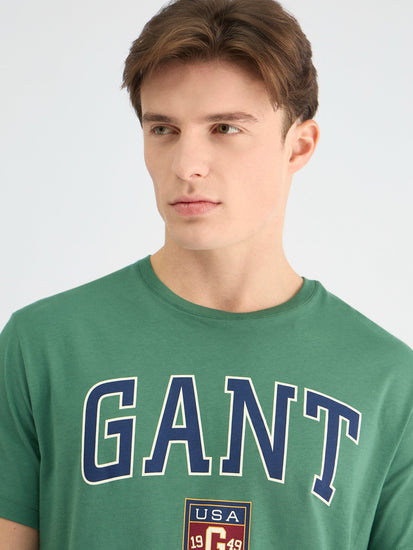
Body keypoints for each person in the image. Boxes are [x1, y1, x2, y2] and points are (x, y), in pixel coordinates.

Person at [0, 0, 412, 548]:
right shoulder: (42, 347)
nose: (186, 165)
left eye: (224, 128)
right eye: (164, 129)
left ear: (299, 146)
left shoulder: (389, 382)